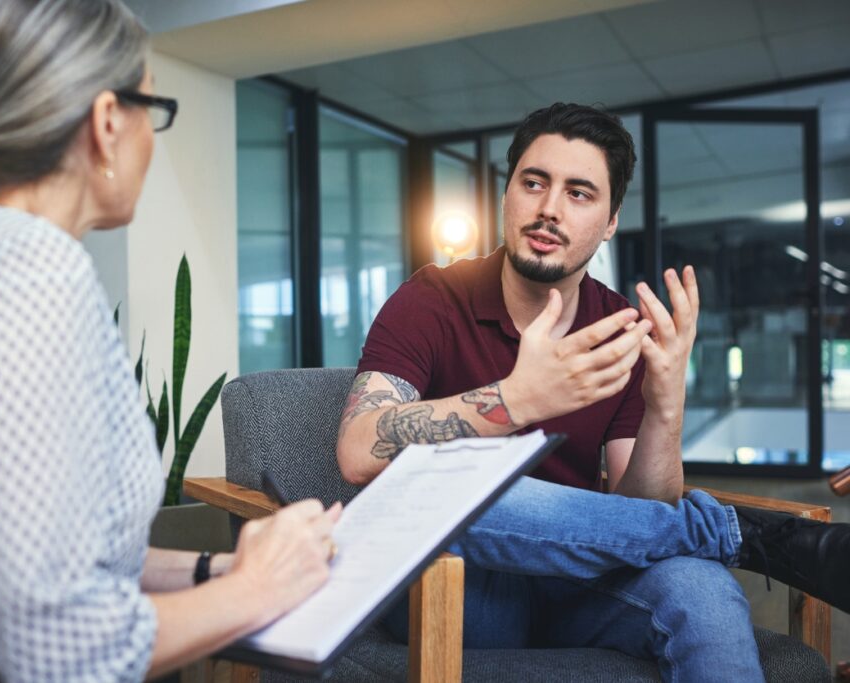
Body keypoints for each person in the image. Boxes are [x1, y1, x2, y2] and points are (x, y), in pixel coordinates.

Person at [0, 2, 341, 682]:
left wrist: (219, 568)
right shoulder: (30, 277)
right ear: (106, 122)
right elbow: (60, 649)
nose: (152, 139)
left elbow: (50, 553)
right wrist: (263, 587)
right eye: (153, 109)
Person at [336, 103, 850, 681]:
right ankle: (739, 534)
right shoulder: (432, 298)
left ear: (610, 221)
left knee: (701, 586)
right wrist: (517, 399)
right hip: (455, 586)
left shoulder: (618, 328)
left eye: (579, 193)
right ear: (507, 195)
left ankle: (730, 538)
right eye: (534, 183)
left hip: (574, 579)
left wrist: (665, 407)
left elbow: (641, 509)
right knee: (442, 489)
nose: (549, 209)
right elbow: (358, 450)